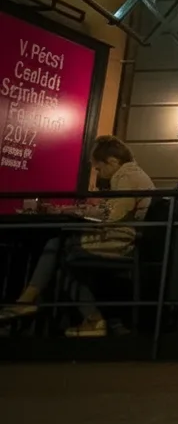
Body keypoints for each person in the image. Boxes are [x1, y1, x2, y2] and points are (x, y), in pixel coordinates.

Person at [0, 136, 155, 337]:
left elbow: (114, 215)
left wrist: (80, 214)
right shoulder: (133, 174)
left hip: (119, 241)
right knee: (60, 250)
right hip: (123, 239)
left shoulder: (125, 176)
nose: (99, 173)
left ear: (112, 161)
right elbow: (112, 210)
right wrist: (75, 210)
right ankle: (92, 319)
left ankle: (29, 303)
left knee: (58, 248)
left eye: (99, 168)